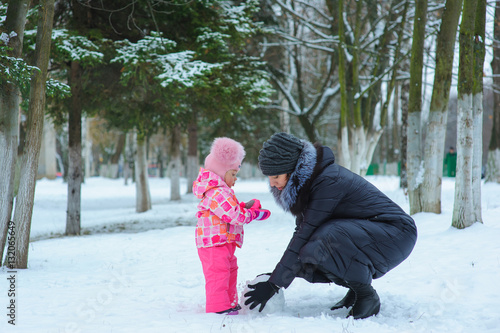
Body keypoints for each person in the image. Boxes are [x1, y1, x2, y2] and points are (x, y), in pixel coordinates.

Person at [244, 132, 417, 319]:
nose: (272, 182)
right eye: (268, 176)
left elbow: (305, 233)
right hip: (372, 232)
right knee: (314, 246)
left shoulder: (327, 181)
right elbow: (303, 237)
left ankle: (367, 295)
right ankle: (356, 288)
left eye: (276, 175)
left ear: (292, 168)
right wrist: (276, 277)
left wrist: (274, 283)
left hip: (396, 233)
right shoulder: (309, 182)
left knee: (327, 238)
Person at [193, 137, 271, 315]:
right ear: (221, 172)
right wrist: (252, 214)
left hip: (223, 242)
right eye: (233, 174)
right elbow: (233, 215)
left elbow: (230, 211)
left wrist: (245, 207)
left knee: (229, 270)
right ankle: (218, 307)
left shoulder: (221, 191)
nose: (236, 179)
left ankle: (228, 302)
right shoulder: (217, 192)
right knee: (218, 274)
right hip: (213, 244)